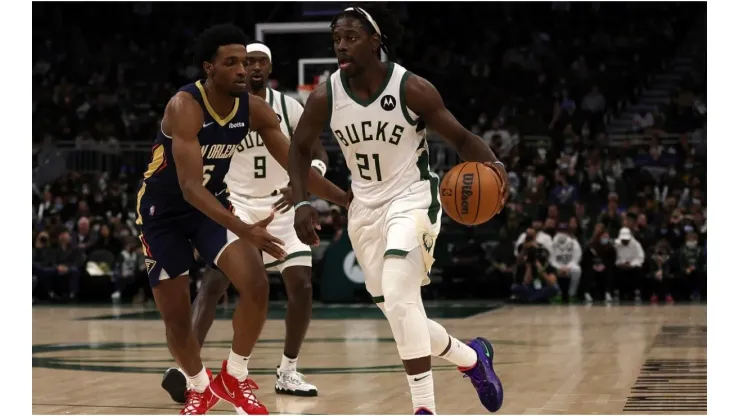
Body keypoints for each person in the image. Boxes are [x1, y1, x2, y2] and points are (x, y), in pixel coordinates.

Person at [287, 4, 506, 414]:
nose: (341, 46)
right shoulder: (325, 95)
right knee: (402, 316)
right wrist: (302, 201)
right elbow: (298, 148)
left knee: (401, 298)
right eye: (336, 39)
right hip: (364, 210)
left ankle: (423, 408)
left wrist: (496, 166)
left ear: (376, 40)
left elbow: (461, 138)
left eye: (351, 37)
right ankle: (473, 358)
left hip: (413, 198)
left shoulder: (411, 88)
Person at [137, 24, 346, 415]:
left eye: (245, 62)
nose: (241, 70)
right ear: (209, 69)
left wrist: (346, 199)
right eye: (231, 62)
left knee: (255, 285)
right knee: (178, 319)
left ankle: (233, 375)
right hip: (163, 214)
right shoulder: (185, 106)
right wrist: (245, 228)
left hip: (211, 206)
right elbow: (188, 189)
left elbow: (297, 166)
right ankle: (199, 387)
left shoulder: (256, 109)